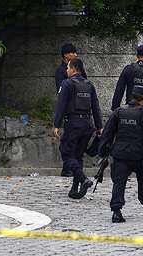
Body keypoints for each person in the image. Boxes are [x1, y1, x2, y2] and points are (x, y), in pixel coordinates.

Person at [99, 85, 143, 223]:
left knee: (119, 182)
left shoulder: (118, 112)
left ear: (131, 97)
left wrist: (102, 151)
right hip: (140, 154)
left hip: (121, 154)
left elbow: (107, 133)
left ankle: (116, 212)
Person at [54, 58, 103, 199]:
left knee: (66, 153)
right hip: (87, 124)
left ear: (74, 69)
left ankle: (83, 180)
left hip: (73, 124)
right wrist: (99, 126)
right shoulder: (89, 85)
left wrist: (57, 125)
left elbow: (61, 106)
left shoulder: (67, 83)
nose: (67, 70)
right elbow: (96, 107)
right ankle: (75, 189)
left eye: (68, 68)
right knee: (78, 156)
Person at [55, 43, 88, 177]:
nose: (75, 54)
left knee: (76, 146)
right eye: (73, 52)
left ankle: (75, 171)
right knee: (68, 143)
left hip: (80, 109)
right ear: (66, 55)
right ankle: (67, 169)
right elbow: (60, 93)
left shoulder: (79, 71)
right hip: (70, 110)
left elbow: (84, 83)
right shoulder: (61, 71)